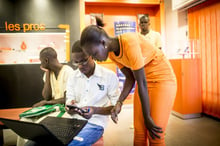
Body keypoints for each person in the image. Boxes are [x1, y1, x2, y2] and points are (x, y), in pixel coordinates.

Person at [79, 17, 177, 146]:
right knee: (139, 133)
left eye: (95, 53)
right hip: (144, 82)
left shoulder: (129, 42)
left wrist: (147, 117)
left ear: (103, 43)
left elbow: (140, 82)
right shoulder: (112, 53)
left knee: (155, 135)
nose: (95, 59)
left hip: (163, 80)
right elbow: (130, 78)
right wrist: (119, 102)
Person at [65, 40, 120, 146]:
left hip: (95, 123)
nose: (80, 66)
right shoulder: (72, 76)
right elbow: (69, 100)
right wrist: (70, 107)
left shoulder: (109, 76)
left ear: (92, 56)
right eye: (76, 62)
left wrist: (95, 110)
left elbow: (116, 107)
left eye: (84, 61)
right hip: (72, 121)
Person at [18, 47, 75, 146]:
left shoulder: (68, 72)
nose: (40, 64)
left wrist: (46, 103)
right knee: (24, 121)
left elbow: (67, 99)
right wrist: (48, 72)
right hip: (52, 109)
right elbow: (47, 96)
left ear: (46, 60)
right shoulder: (48, 73)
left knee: (38, 125)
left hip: (65, 111)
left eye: (41, 61)